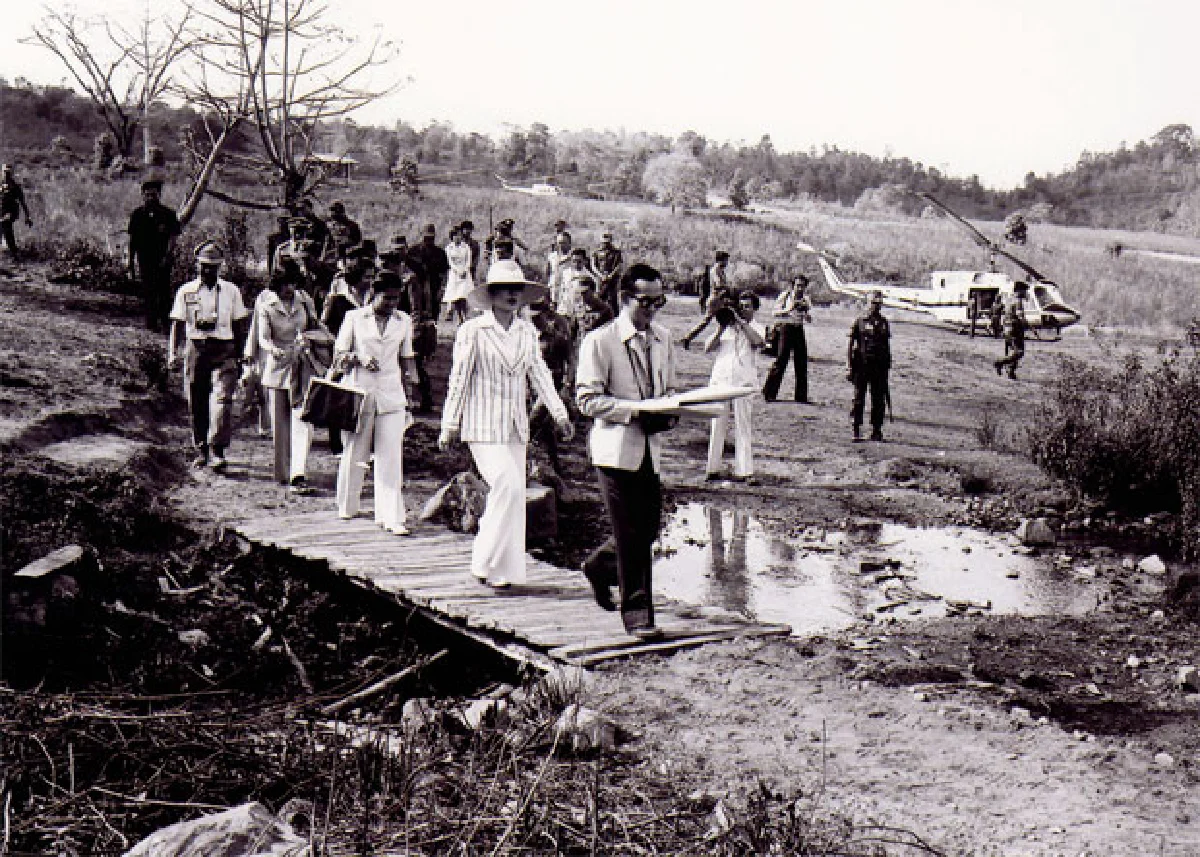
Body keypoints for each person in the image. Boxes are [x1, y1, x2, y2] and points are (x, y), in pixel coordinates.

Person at [439, 260, 573, 588]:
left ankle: (506, 572)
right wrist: (449, 423)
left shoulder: (527, 331)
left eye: (517, 290)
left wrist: (559, 413)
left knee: (514, 496)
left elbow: (539, 374)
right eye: (505, 290)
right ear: (492, 294)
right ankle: (482, 560)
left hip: (515, 426)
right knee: (508, 485)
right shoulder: (472, 330)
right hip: (481, 424)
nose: (512, 295)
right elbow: (458, 379)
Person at [575, 263, 677, 640]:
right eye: (645, 301)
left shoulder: (664, 338)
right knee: (631, 533)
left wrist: (668, 411)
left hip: (650, 449)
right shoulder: (600, 342)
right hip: (614, 451)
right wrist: (633, 411)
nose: (652, 309)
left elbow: (668, 389)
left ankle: (601, 566)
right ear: (624, 299)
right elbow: (586, 400)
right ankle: (638, 617)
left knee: (647, 530)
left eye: (659, 301)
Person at [334, 272, 420, 534]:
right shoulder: (355, 318)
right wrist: (359, 357)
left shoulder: (403, 320)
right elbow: (339, 356)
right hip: (360, 391)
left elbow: (407, 357)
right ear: (374, 293)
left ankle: (391, 516)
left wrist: (412, 384)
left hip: (392, 393)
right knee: (355, 451)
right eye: (387, 298)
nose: (392, 303)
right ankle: (348, 505)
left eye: (396, 298)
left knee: (391, 455)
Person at [167, 242, 250, 471]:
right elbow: (177, 324)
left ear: (220, 267)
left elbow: (239, 324)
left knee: (223, 400)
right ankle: (201, 448)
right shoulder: (186, 291)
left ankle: (218, 450)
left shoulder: (231, 291)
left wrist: (242, 355)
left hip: (224, 349)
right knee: (197, 400)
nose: (208, 271)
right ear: (197, 265)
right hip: (197, 349)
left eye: (213, 267)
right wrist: (173, 353)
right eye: (204, 266)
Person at [252, 262, 331, 491]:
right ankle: (283, 472)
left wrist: (310, 339)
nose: (290, 289)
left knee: (303, 420)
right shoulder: (266, 304)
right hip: (278, 367)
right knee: (280, 424)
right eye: (286, 284)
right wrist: (271, 350)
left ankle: (299, 473)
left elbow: (318, 327)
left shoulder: (304, 301)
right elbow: (263, 337)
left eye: (294, 283)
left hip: (303, 365)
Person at [705, 290, 765, 481]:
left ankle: (745, 470)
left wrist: (741, 322)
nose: (743, 309)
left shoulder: (757, 327)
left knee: (743, 426)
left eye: (748, 306)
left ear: (755, 309)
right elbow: (708, 348)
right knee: (717, 425)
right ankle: (712, 469)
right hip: (721, 380)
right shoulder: (727, 327)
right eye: (741, 306)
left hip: (743, 383)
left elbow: (758, 342)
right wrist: (721, 328)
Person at [127, 178, 181, 331]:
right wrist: (130, 263)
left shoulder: (168, 214)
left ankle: (165, 322)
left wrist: (168, 255)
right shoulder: (137, 214)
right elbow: (133, 240)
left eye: (154, 194)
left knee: (163, 291)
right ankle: (151, 323)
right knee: (148, 290)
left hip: (162, 260)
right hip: (144, 259)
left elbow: (173, 236)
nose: (151, 198)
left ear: (159, 195)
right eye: (147, 195)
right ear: (143, 195)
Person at [848, 290, 891, 442]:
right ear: (867, 303)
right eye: (873, 303)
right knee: (858, 397)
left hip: (879, 366)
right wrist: (849, 366)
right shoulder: (860, 321)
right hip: (862, 364)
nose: (876, 306)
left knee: (878, 399)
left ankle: (876, 430)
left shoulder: (884, 322)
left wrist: (887, 366)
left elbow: (886, 345)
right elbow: (851, 343)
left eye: (879, 303)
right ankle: (856, 429)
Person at [762, 274, 812, 403]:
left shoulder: (806, 299)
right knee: (781, 360)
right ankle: (769, 392)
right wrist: (789, 309)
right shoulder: (785, 296)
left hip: (798, 329)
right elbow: (774, 313)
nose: (800, 288)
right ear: (793, 286)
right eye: (798, 285)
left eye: (802, 286)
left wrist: (806, 314)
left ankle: (801, 396)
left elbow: (808, 317)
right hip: (786, 328)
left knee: (801, 362)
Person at [681, 250, 732, 349]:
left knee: (725, 321)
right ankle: (688, 338)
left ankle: (718, 341)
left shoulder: (719, 270)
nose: (727, 263)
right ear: (721, 260)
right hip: (716, 300)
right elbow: (719, 284)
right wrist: (727, 287)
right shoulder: (716, 270)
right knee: (707, 322)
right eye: (726, 260)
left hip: (719, 299)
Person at [410, 223, 450, 320]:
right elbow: (407, 269)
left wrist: (442, 289)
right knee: (416, 312)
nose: (428, 241)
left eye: (431, 238)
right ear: (422, 236)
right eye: (426, 238)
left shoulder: (440, 253)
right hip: (416, 287)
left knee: (434, 312)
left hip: (434, 286)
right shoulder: (413, 251)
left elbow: (445, 272)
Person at [994, 282, 1029, 380]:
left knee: (1012, 351)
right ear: (1019, 291)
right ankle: (999, 362)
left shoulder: (1009, 300)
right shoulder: (1018, 301)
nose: (1025, 293)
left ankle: (1011, 372)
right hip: (1015, 328)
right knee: (1019, 352)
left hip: (1007, 328)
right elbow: (1020, 315)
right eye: (1024, 290)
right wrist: (1027, 325)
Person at [0, 164, 33, 261]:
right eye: (5, 172)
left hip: (11, 212)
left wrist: (28, 217)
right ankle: (11, 251)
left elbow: (23, 203)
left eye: (8, 173)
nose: (7, 174)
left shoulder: (15, 188)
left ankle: (14, 253)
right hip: (2, 212)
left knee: (6, 225)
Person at [443, 226, 474, 324]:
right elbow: (450, 262)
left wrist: (465, 270)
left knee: (464, 295)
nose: (458, 237)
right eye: (455, 235)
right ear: (452, 237)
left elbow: (469, 260)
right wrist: (457, 270)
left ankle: (465, 315)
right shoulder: (448, 248)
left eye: (459, 235)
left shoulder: (466, 247)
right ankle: (459, 316)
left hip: (465, 273)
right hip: (455, 273)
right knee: (456, 296)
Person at [591, 231, 624, 313]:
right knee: (599, 299)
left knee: (613, 300)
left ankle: (615, 318)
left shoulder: (616, 252)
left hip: (612, 280)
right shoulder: (596, 252)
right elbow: (593, 266)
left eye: (607, 242)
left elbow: (619, 265)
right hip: (600, 280)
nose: (605, 245)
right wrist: (600, 275)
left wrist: (611, 275)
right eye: (604, 242)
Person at [459, 220, 482, 284]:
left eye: (469, 229)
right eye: (465, 229)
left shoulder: (475, 244)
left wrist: (471, 266)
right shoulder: (458, 243)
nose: (467, 231)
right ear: (462, 230)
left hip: (470, 270)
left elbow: (476, 257)